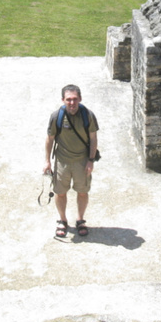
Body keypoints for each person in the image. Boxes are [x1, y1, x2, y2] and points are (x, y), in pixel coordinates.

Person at [43, 84, 98, 238]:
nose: (72, 103)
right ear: (63, 100)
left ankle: (80, 220)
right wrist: (47, 161)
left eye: (75, 99)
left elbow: (93, 139)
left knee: (82, 192)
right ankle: (62, 220)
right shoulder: (57, 117)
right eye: (68, 100)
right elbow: (50, 139)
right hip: (62, 161)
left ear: (80, 99)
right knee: (60, 192)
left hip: (82, 161)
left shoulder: (88, 115)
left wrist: (91, 160)